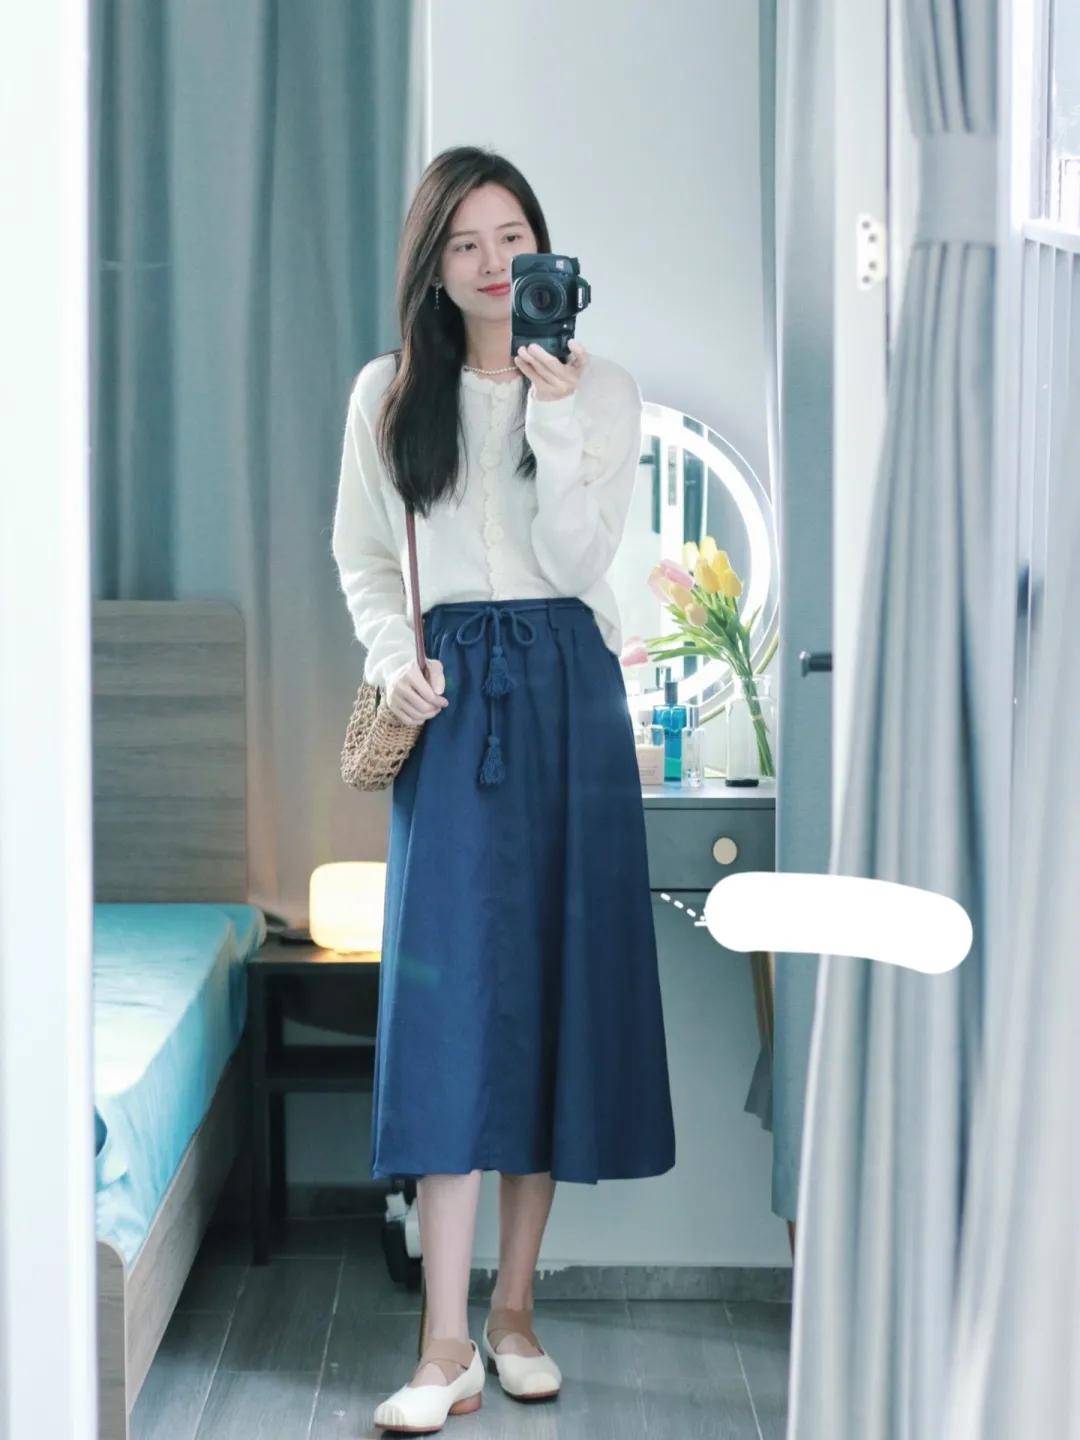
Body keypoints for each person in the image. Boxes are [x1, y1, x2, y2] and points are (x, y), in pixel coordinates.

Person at [331, 145, 676, 1434]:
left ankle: (514, 1314)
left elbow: (580, 562)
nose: (492, 263)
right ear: (433, 264)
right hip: (450, 698)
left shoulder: (607, 391)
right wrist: (395, 662)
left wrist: (556, 412)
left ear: (546, 253)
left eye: (512, 238)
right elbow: (367, 558)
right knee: (448, 1010)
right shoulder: (387, 393)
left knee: (551, 999)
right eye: (466, 242)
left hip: (569, 692)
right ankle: (441, 1347)